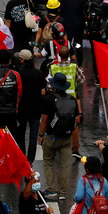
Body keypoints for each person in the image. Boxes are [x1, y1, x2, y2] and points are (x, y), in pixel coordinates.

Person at [39, 73, 78, 201]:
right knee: (64, 165)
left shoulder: (48, 99)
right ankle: (62, 192)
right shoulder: (72, 99)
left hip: (52, 136)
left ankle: (51, 190)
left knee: (49, 162)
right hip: (67, 137)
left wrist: (41, 135)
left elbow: (44, 120)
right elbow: (76, 120)